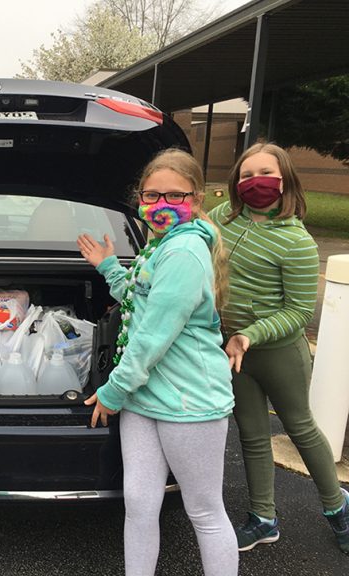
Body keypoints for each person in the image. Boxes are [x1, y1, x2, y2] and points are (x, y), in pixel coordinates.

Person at [78, 148, 238, 575]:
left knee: (204, 512)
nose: (161, 206)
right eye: (152, 196)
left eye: (175, 196)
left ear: (196, 199)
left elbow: (152, 337)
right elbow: (137, 299)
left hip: (189, 402)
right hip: (143, 399)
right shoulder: (157, 247)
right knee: (139, 506)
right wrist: (109, 266)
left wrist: (112, 391)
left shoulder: (184, 251)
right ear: (141, 199)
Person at [208, 142, 349, 554]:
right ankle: (263, 518)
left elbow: (298, 311)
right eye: (246, 175)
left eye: (265, 173)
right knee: (251, 434)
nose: (255, 182)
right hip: (232, 350)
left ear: (284, 179)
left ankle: (337, 507)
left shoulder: (298, 242)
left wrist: (250, 334)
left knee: (301, 429)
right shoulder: (222, 219)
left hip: (278, 352)